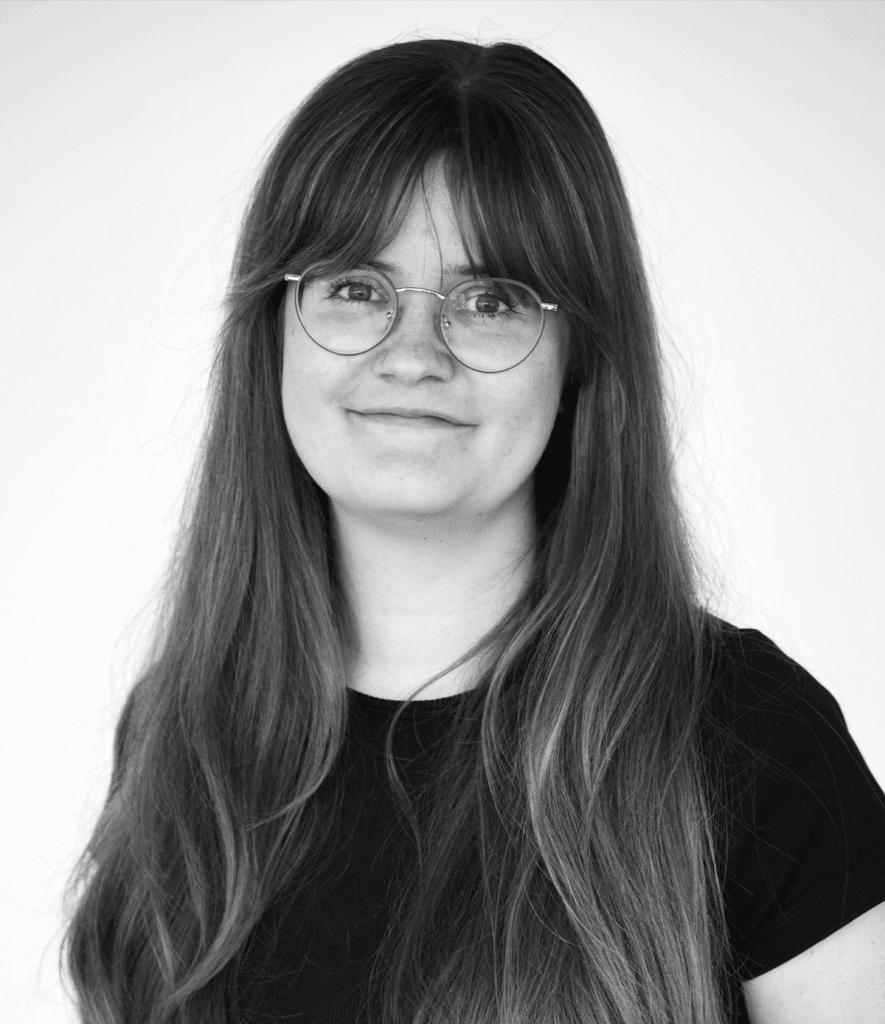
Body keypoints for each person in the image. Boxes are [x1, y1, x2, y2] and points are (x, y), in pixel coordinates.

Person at [59, 37, 885, 1024]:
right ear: (271, 338)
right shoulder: (180, 735)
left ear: (581, 354)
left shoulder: (750, 741)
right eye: (356, 289)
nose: (414, 354)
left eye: (488, 300)